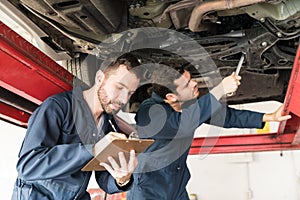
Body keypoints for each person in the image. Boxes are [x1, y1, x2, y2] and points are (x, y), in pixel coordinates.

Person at [127, 65, 291, 200]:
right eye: (187, 84)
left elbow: (225, 117)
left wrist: (269, 117)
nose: (194, 84)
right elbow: (181, 125)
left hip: (176, 187)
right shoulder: (149, 112)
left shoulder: (185, 104)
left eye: (191, 79)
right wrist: (219, 90)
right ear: (171, 96)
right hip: (148, 191)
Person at [12, 53, 142, 200]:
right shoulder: (58, 107)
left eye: (130, 93)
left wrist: (122, 178)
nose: (124, 99)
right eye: (119, 87)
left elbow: (104, 179)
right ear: (100, 79)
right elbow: (28, 166)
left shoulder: (109, 125)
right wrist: (93, 149)